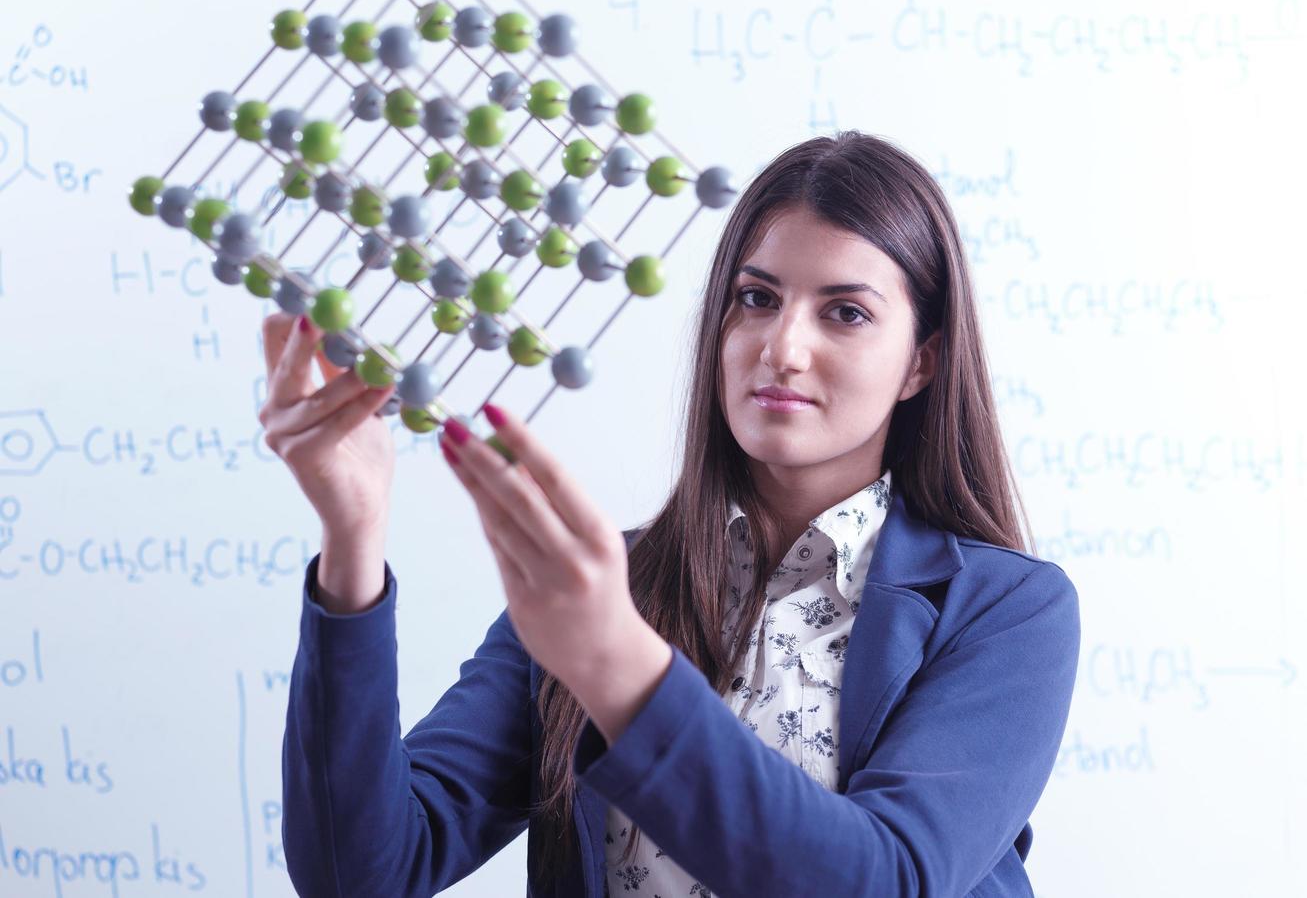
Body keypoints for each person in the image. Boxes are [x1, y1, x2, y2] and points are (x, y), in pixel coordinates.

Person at [269, 130, 1080, 897]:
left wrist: (615, 664)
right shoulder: (593, 588)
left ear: (921, 362)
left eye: (845, 312)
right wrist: (352, 543)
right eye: (756, 298)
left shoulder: (1005, 610)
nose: (781, 347)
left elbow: (883, 880)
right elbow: (359, 872)